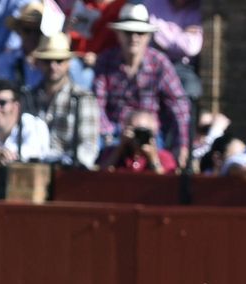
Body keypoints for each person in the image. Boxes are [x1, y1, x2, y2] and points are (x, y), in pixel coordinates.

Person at [91, 2, 186, 166]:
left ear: (148, 36)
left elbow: (179, 106)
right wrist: (108, 134)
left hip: (151, 136)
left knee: (166, 167)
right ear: (119, 34)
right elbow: (96, 104)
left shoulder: (160, 63)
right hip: (113, 135)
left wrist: (182, 146)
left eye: (140, 33)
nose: (134, 38)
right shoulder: (105, 61)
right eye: (128, 32)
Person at [22, 28, 97, 166]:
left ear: (69, 63)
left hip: (69, 176)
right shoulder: (28, 96)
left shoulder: (83, 98)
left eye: (59, 60)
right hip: (32, 172)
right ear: (38, 63)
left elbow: (88, 146)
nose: (53, 66)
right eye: (47, 61)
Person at [95, 103, 167, 169]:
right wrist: (119, 150)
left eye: (144, 132)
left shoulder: (163, 157)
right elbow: (101, 176)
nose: (140, 136)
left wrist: (153, 158)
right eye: (136, 131)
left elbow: (167, 181)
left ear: (154, 133)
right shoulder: (110, 152)